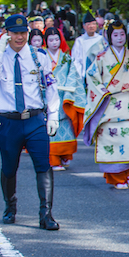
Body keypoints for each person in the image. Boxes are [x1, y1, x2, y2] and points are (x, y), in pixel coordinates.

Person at [0, 14, 61, 231]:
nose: (20, 37)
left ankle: (46, 214)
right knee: (9, 167)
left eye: (23, 32)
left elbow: (51, 87)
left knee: (43, 166)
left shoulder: (39, 57)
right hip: (9, 122)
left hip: (34, 119)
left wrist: (53, 115)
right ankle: (10, 207)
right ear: (7, 34)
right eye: (15, 33)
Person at [83, 21, 129, 190]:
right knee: (111, 140)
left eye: (122, 35)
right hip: (109, 103)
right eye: (115, 35)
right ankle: (118, 177)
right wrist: (103, 90)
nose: (119, 38)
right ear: (109, 36)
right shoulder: (101, 57)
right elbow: (91, 77)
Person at [44, 27, 86, 172]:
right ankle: (53, 159)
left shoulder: (66, 57)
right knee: (51, 130)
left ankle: (65, 156)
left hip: (64, 96)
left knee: (66, 127)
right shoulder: (43, 57)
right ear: (46, 41)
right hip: (48, 96)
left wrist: (69, 91)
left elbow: (73, 75)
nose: (54, 43)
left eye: (57, 39)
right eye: (51, 40)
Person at [71, 13, 104, 81]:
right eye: (89, 24)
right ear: (84, 26)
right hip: (85, 73)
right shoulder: (80, 41)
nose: (91, 26)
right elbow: (76, 59)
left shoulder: (101, 39)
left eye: (93, 24)